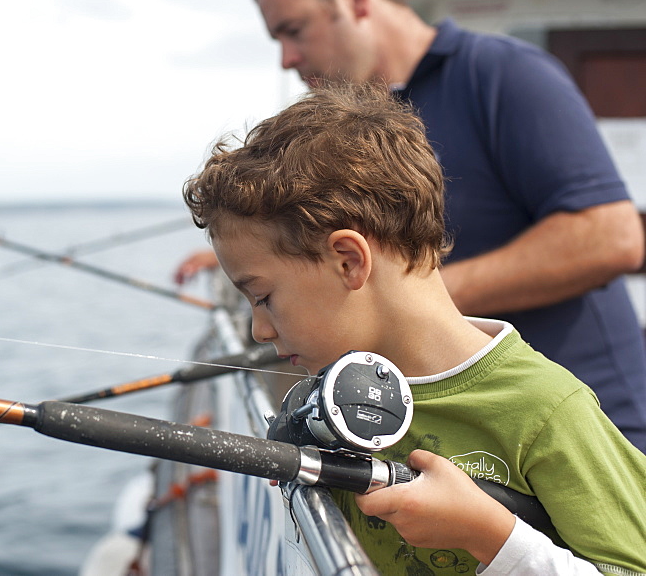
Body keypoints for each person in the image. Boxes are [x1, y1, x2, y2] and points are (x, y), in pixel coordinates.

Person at [176, 0, 646, 451]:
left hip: (590, 434)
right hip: (461, 440)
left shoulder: (505, 75)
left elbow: (612, 236)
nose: (286, 57)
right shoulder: (351, 126)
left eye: (294, 30)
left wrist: (404, 298)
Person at [182, 81, 646, 575]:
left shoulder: (546, 410)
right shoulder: (331, 403)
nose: (258, 331)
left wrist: (491, 536)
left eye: (263, 297)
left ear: (347, 261)